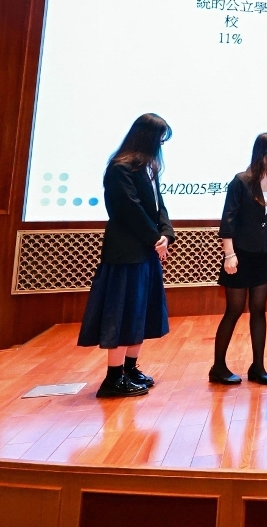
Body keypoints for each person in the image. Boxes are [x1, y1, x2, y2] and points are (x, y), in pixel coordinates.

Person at [78, 113, 174, 398]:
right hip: (126, 253)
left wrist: (166, 234)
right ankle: (113, 377)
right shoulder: (121, 168)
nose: (160, 146)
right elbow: (129, 210)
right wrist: (153, 238)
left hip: (146, 252)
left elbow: (158, 206)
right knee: (123, 312)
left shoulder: (149, 168)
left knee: (140, 311)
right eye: (159, 139)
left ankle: (130, 369)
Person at [210, 132, 267, 386]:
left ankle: (258, 367)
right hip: (239, 254)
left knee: (259, 311)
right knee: (234, 310)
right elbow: (227, 221)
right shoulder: (240, 182)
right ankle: (218, 367)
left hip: (263, 253)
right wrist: (229, 255)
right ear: (263, 153)